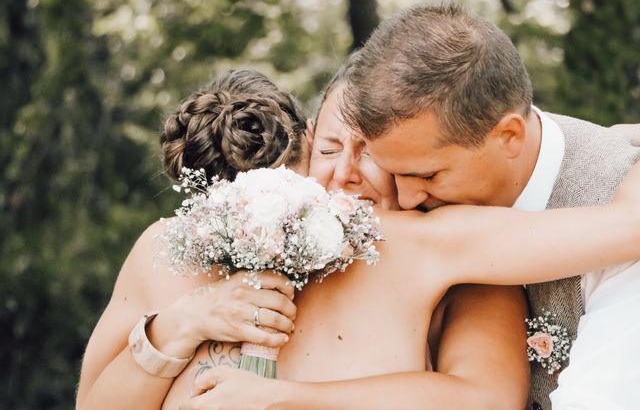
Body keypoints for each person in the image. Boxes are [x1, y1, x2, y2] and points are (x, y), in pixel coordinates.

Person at [77, 69, 640, 410]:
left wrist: (610, 148)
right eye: (329, 149)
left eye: (370, 153)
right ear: (304, 145)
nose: (345, 172)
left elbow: (486, 399)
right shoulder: (171, 245)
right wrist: (181, 324)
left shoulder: (438, 245)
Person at [339, 3, 640, 410]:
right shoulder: (396, 214)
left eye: (428, 176)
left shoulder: (618, 204)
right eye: (393, 172)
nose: (406, 199)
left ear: (510, 136)